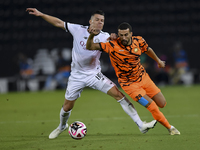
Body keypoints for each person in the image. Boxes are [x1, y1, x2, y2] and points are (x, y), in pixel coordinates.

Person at [26, 8, 157, 139]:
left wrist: (115, 37)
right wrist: (41, 14)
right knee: (67, 107)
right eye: (97, 20)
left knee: (119, 95)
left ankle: (141, 125)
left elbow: (124, 43)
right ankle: (62, 126)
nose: (100, 23)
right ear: (90, 21)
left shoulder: (105, 37)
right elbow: (58, 23)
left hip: (94, 75)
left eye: (102, 21)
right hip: (76, 76)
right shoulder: (77, 29)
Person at [86, 22, 180, 135]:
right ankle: (170, 128)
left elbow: (148, 49)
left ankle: (166, 124)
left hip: (144, 78)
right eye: (121, 35)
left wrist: (158, 61)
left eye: (126, 34)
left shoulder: (139, 41)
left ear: (131, 33)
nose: (123, 37)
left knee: (162, 103)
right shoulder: (112, 45)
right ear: (118, 34)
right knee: (152, 106)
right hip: (130, 85)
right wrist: (91, 35)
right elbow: (90, 46)